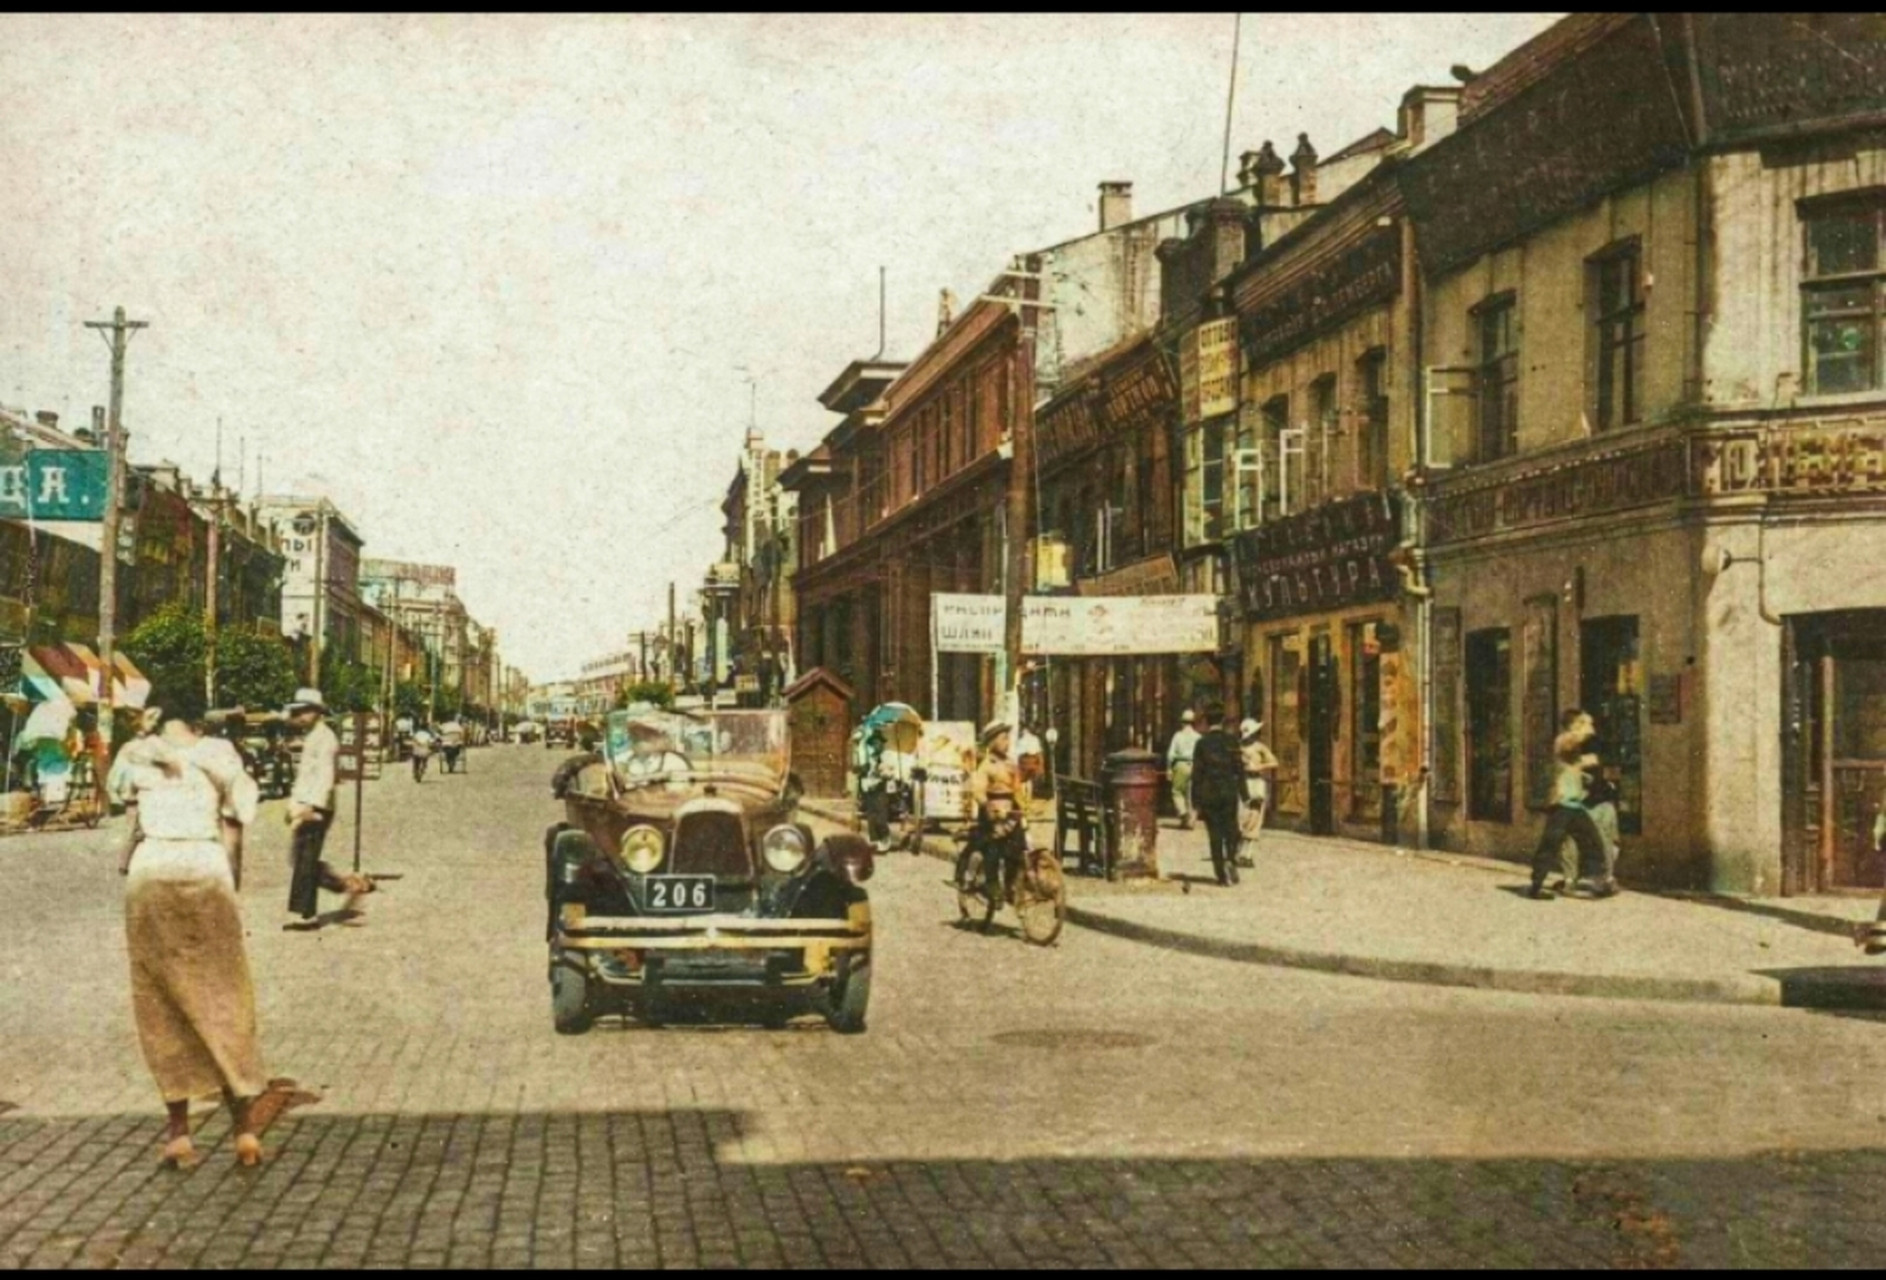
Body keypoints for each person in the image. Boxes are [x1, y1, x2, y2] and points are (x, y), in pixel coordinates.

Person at [115, 709, 269, 1169]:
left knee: (160, 1002)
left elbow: (129, 816)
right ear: (200, 723)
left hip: (152, 870)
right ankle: (244, 1131)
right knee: (225, 995)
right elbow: (236, 826)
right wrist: (231, 885)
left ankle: (179, 1135)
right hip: (205, 865)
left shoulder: (134, 754)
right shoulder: (221, 754)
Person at [284, 688, 371, 926]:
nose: (300, 716)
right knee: (300, 858)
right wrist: (295, 804)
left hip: (317, 807)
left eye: (304, 711)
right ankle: (340, 883)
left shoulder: (325, 738)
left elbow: (324, 777)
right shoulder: (313, 736)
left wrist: (311, 808)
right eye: (297, 711)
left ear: (317, 712)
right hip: (305, 804)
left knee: (306, 859)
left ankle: (308, 914)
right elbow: (305, 776)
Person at [1527, 708, 1610, 901]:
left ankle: (1598, 882)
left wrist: (1584, 771)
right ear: (1575, 725)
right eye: (1584, 723)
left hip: (1574, 805)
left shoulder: (1570, 746)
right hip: (1562, 804)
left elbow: (1574, 763)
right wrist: (1586, 729)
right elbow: (1572, 746)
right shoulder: (1564, 740)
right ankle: (1536, 886)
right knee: (1550, 844)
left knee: (1592, 841)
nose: (1590, 728)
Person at [1551, 714, 1621, 898]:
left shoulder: (1591, 743)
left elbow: (1607, 766)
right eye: (1588, 723)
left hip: (1595, 799)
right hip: (1582, 800)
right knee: (1575, 840)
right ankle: (1585, 880)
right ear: (1575, 725)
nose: (1592, 727)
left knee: (1598, 839)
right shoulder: (1567, 743)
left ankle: (1601, 879)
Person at [963, 721, 1026, 912]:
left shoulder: (1011, 763)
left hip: (1010, 812)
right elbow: (977, 788)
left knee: (1018, 847)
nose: (1007, 742)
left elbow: (1017, 789)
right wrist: (987, 805)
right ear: (992, 742)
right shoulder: (986, 764)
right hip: (992, 811)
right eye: (1003, 738)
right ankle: (992, 884)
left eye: (1008, 738)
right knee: (993, 848)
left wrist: (1024, 806)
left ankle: (1010, 885)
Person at [1191, 705, 1245, 887]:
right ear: (1222, 721)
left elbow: (1197, 773)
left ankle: (1221, 875)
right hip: (1228, 791)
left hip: (1209, 793)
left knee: (1214, 834)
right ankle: (1231, 858)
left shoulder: (1202, 743)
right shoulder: (1232, 741)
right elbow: (1239, 768)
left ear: (1206, 721)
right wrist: (1244, 793)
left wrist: (1195, 801)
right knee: (1232, 829)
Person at [1235, 718, 1280, 870]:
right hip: (1242, 784)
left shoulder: (1260, 747)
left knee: (1255, 817)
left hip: (1256, 784)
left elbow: (1274, 762)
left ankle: (1247, 854)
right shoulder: (1238, 748)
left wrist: (1259, 766)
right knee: (1242, 817)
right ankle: (1239, 852)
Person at [1166, 709, 1200, 830]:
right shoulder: (1198, 737)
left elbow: (1170, 754)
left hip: (1180, 764)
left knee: (1177, 791)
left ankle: (1183, 813)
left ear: (1182, 722)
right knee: (1191, 793)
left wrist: (1169, 769)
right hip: (1195, 765)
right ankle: (1191, 819)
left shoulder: (1178, 736)